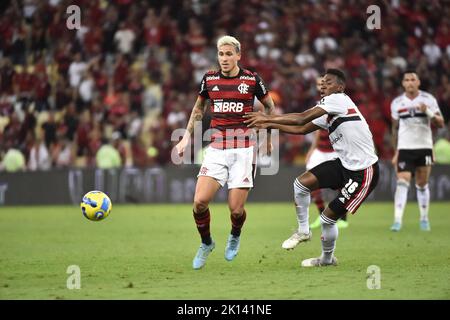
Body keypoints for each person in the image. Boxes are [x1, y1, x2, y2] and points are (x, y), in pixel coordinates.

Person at [244, 69, 379, 267]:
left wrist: (267, 119)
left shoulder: (339, 100)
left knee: (327, 219)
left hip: (363, 171)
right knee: (300, 184)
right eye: (322, 82)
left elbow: (300, 118)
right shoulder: (329, 109)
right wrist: (267, 125)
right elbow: (301, 129)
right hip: (344, 165)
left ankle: (326, 260)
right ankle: (303, 230)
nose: (323, 85)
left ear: (340, 87)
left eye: (329, 82)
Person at [175, 35, 275, 269]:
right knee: (199, 202)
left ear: (239, 55)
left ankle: (235, 235)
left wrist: (268, 135)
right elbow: (198, 109)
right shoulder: (209, 79)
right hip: (217, 149)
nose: (225, 58)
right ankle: (207, 242)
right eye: (221, 54)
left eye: (229, 54)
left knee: (236, 209)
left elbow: (270, 106)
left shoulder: (252, 79)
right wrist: (186, 137)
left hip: (243, 150)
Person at [390, 71, 444, 232]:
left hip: (424, 147)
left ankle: (424, 218)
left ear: (418, 82)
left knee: (421, 184)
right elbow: (394, 129)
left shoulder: (428, 99)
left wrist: (427, 111)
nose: (410, 82)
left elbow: (440, 123)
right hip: (405, 148)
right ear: (403, 84)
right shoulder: (397, 103)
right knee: (402, 181)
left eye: (413, 79)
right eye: (407, 80)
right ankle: (397, 220)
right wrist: (396, 151)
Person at [304, 76, 348, 232]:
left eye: (324, 84)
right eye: (318, 84)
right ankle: (322, 214)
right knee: (310, 182)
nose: (321, 87)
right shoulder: (318, 105)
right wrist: (311, 150)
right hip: (320, 150)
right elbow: (316, 129)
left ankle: (342, 217)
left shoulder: (339, 102)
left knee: (341, 185)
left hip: (335, 150)